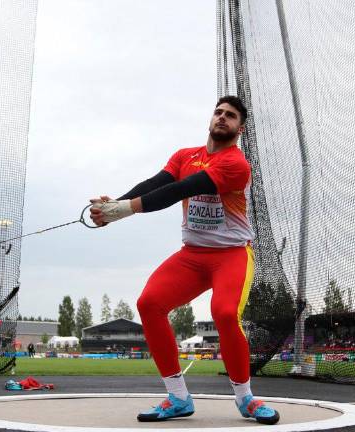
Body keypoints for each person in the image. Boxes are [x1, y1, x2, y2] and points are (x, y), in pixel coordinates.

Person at [89, 96, 279, 425]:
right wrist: (112, 206)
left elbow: (181, 190)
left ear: (239, 129)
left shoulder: (236, 164)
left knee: (223, 312)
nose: (222, 118)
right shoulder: (184, 156)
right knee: (149, 303)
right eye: (218, 112)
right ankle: (177, 397)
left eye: (230, 116)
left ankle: (245, 398)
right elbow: (155, 184)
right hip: (192, 255)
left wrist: (121, 212)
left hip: (231, 255)